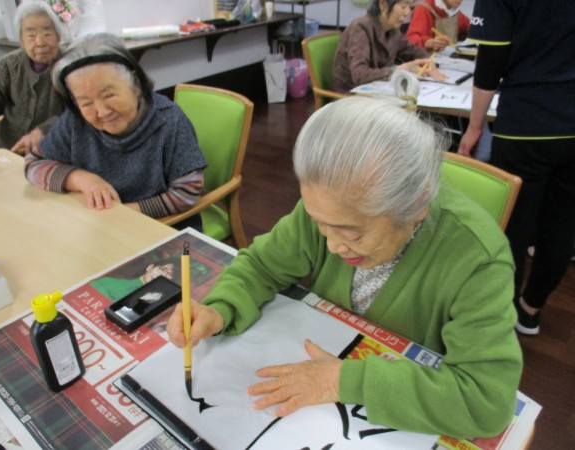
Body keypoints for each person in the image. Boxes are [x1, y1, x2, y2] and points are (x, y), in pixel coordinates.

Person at [167, 97, 522, 439]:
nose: (333, 245)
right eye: (319, 223)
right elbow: (262, 265)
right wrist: (220, 308)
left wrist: (341, 381)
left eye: (352, 232)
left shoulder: (477, 259)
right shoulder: (328, 205)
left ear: (416, 205)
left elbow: (486, 401)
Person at [458, 0, 575, 336]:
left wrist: (474, 127)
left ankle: (502, 317)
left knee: (513, 228)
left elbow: (490, 61)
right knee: (563, 223)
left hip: (526, 122)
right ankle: (530, 310)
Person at [24, 33, 207, 225]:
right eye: (86, 102)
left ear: (135, 83)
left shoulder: (168, 120)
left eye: (109, 95)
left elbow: (188, 191)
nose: (102, 112)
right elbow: (33, 164)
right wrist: (82, 179)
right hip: (100, 224)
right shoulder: (75, 121)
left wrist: (122, 215)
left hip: (160, 226)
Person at [0, 1, 65, 155]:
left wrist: (44, 130)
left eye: (47, 34)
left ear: (58, 36)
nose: (40, 42)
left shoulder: (70, 65)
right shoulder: (8, 66)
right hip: (6, 149)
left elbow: (78, 113)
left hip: (50, 151)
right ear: (22, 40)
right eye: (31, 35)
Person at [332, 0, 446, 93]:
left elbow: (412, 51)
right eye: (403, 6)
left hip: (377, 91)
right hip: (351, 96)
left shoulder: (392, 30)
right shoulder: (361, 28)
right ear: (383, 4)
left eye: (410, 7)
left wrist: (428, 62)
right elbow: (360, 75)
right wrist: (401, 69)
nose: (407, 13)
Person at [406, 0, 470, 52]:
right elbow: (410, 39)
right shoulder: (423, 8)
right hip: (426, 58)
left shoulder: (455, 12)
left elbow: (470, 28)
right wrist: (426, 42)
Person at [91, 263, 175, 302]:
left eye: (169, 275)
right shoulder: (107, 281)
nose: (162, 275)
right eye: (162, 269)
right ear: (150, 267)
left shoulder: (147, 302)